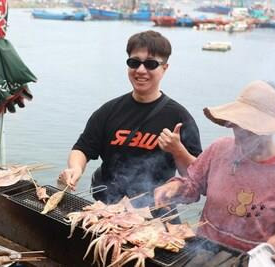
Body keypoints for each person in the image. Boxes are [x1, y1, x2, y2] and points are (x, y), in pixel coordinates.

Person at [154, 80, 275, 261]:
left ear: (269, 129)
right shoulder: (220, 149)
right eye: (237, 123)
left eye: (249, 128)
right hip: (202, 253)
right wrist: (176, 188)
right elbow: (193, 184)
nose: (239, 132)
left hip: (251, 260)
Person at [59, 30, 202, 208]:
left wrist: (177, 150)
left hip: (155, 211)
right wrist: (75, 169)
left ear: (164, 68)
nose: (141, 70)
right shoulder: (109, 110)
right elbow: (82, 148)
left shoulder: (179, 117)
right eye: (134, 63)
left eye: (150, 64)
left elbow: (197, 177)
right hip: (107, 207)